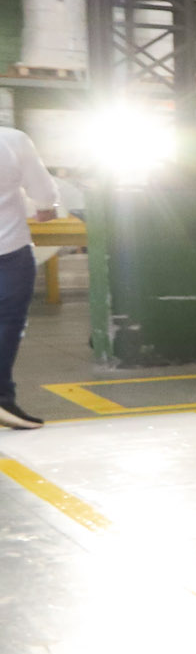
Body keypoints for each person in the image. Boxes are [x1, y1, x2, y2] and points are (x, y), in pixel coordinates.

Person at [0, 119, 61, 430]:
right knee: (7, 321)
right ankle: (1, 397)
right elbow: (42, 189)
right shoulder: (11, 141)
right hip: (9, 250)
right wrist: (46, 206)